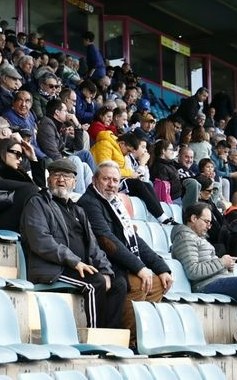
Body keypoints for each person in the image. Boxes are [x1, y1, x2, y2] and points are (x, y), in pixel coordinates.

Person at [21, 158, 126, 329]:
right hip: (52, 268)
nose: (61, 180)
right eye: (57, 175)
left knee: (118, 283)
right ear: (49, 179)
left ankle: (110, 335)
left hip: (79, 268)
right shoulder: (37, 203)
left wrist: (106, 270)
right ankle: (95, 337)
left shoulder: (78, 210)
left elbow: (93, 246)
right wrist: (75, 261)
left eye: (67, 176)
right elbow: (41, 240)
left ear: (74, 182)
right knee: (95, 283)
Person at [77, 161, 173, 343]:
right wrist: (139, 268)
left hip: (120, 263)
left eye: (115, 180)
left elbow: (134, 240)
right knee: (139, 283)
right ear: (94, 180)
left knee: (159, 283)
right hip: (103, 264)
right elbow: (107, 240)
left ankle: (140, 338)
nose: (111, 184)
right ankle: (127, 340)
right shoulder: (89, 202)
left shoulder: (114, 203)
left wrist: (161, 267)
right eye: (106, 179)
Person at [171, 202, 237, 344]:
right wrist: (221, 263)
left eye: (210, 222)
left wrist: (226, 266)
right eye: (206, 221)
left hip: (218, 280)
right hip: (205, 285)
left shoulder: (198, 239)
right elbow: (193, 271)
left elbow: (209, 264)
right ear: (193, 218)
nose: (209, 226)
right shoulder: (184, 238)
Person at [91, 130, 171, 224]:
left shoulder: (120, 151)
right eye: (128, 151)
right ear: (122, 143)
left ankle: (163, 216)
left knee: (148, 185)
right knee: (137, 184)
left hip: (117, 178)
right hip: (104, 179)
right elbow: (105, 168)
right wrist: (131, 173)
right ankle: (162, 218)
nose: (128, 154)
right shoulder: (105, 145)